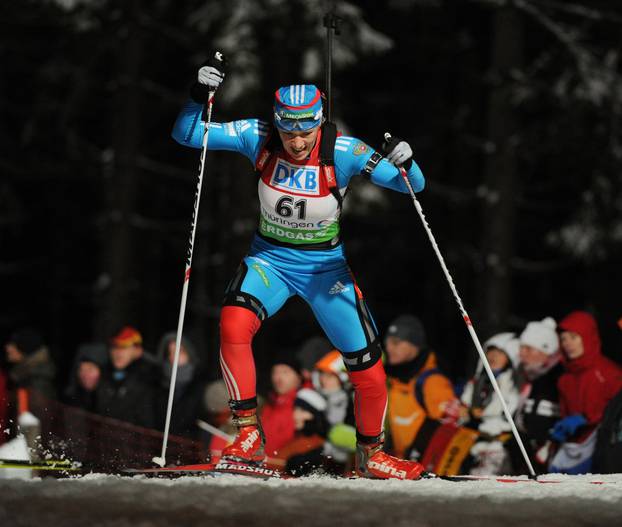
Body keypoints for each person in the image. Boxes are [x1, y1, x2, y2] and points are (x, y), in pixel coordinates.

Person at [172, 62, 427, 479]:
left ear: (318, 122)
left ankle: (373, 454)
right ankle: (249, 435)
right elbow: (187, 134)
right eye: (289, 132)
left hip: (325, 270)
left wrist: (407, 160)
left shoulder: (343, 151)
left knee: (367, 366)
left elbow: (410, 185)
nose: (296, 141)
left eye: (305, 132)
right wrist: (197, 96)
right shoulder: (257, 136)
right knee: (233, 324)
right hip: (270, 260)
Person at [549, 311, 622, 474]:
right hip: (574, 447)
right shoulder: (564, 379)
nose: (568, 343)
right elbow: (565, 413)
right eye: (563, 339)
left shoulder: (610, 372)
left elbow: (616, 413)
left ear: (587, 337)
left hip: (603, 447)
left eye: (573, 337)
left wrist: (587, 419)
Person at [383, 314, 461, 462]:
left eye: (396, 343)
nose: (389, 348)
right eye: (387, 343)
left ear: (414, 345)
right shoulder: (393, 379)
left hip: (425, 469)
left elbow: (446, 427)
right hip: (401, 466)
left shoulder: (432, 381)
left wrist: (418, 455)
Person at [460, 333, 520, 475]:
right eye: (490, 352)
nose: (493, 356)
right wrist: (467, 411)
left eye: (500, 353)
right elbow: (464, 405)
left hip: (497, 445)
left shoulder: (512, 383)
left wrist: (485, 416)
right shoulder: (477, 381)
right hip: (471, 441)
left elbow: (509, 410)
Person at [510, 316, 563, 474]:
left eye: (529, 349)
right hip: (526, 454)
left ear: (546, 351)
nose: (522, 354)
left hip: (551, 457)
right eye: (521, 348)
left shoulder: (559, 377)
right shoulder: (525, 377)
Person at [95, 326, 158, 429]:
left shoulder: (150, 380)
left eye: (124, 347)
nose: (118, 352)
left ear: (138, 351)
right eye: (114, 347)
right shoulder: (102, 374)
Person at [155, 332, 207, 439]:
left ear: (189, 353)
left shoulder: (201, 385)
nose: (174, 356)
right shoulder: (157, 385)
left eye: (179, 351)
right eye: (170, 352)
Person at [269, 388, 329, 476]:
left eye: (302, 411)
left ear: (315, 416)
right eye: (295, 409)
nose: (295, 415)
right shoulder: (297, 439)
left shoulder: (319, 445)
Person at [260, 355, 303, 459]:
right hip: (262, 468)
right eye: (275, 372)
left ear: (298, 376)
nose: (279, 378)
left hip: (286, 470)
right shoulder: (268, 405)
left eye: (285, 372)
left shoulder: (305, 406)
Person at [4, 327, 56, 400]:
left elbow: (39, 410)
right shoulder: (24, 374)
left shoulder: (37, 381)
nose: (7, 347)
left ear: (24, 348)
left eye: (13, 344)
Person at [64, 342, 108, 412]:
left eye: (90, 369)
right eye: (81, 369)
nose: (85, 375)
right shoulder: (73, 399)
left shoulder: (111, 401)